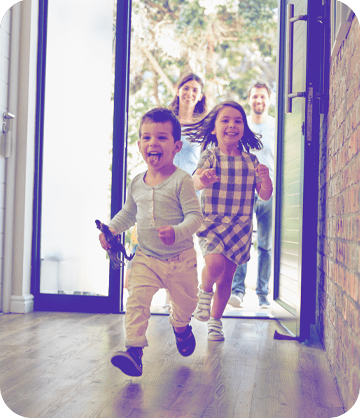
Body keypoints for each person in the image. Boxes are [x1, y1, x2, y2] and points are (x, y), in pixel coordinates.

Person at [99, 108, 203, 376]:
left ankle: (181, 326)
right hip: (146, 257)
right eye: (146, 138)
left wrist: (178, 231)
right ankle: (134, 351)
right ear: (139, 145)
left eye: (161, 138)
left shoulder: (183, 181)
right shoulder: (136, 183)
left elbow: (195, 217)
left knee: (187, 303)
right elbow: (128, 214)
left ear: (176, 146)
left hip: (180, 259)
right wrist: (111, 229)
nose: (152, 143)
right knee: (136, 300)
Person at [185, 100, 273, 341]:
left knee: (226, 279)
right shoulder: (210, 156)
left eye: (237, 120)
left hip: (240, 228)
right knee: (214, 266)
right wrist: (204, 178)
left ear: (243, 127)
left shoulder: (251, 161)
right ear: (214, 128)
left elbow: (264, 195)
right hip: (212, 225)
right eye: (225, 120)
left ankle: (215, 321)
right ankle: (204, 293)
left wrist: (265, 179)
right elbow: (194, 183)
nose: (232, 125)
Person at [228, 81, 275, 309]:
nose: (259, 100)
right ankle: (238, 291)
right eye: (255, 96)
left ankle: (263, 295)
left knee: (265, 244)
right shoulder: (241, 126)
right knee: (241, 241)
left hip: (268, 192)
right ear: (249, 99)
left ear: (269, 99)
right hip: (243, 191)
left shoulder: (276, 127)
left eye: (263, 96)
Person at [169, 73, 207, 176]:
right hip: (166, 186)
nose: (190, 93)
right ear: (178, 91)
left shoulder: (203, 128)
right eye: (186, 88)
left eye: (195, 90)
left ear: (200, 97)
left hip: (191, 188)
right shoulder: (166, 122)